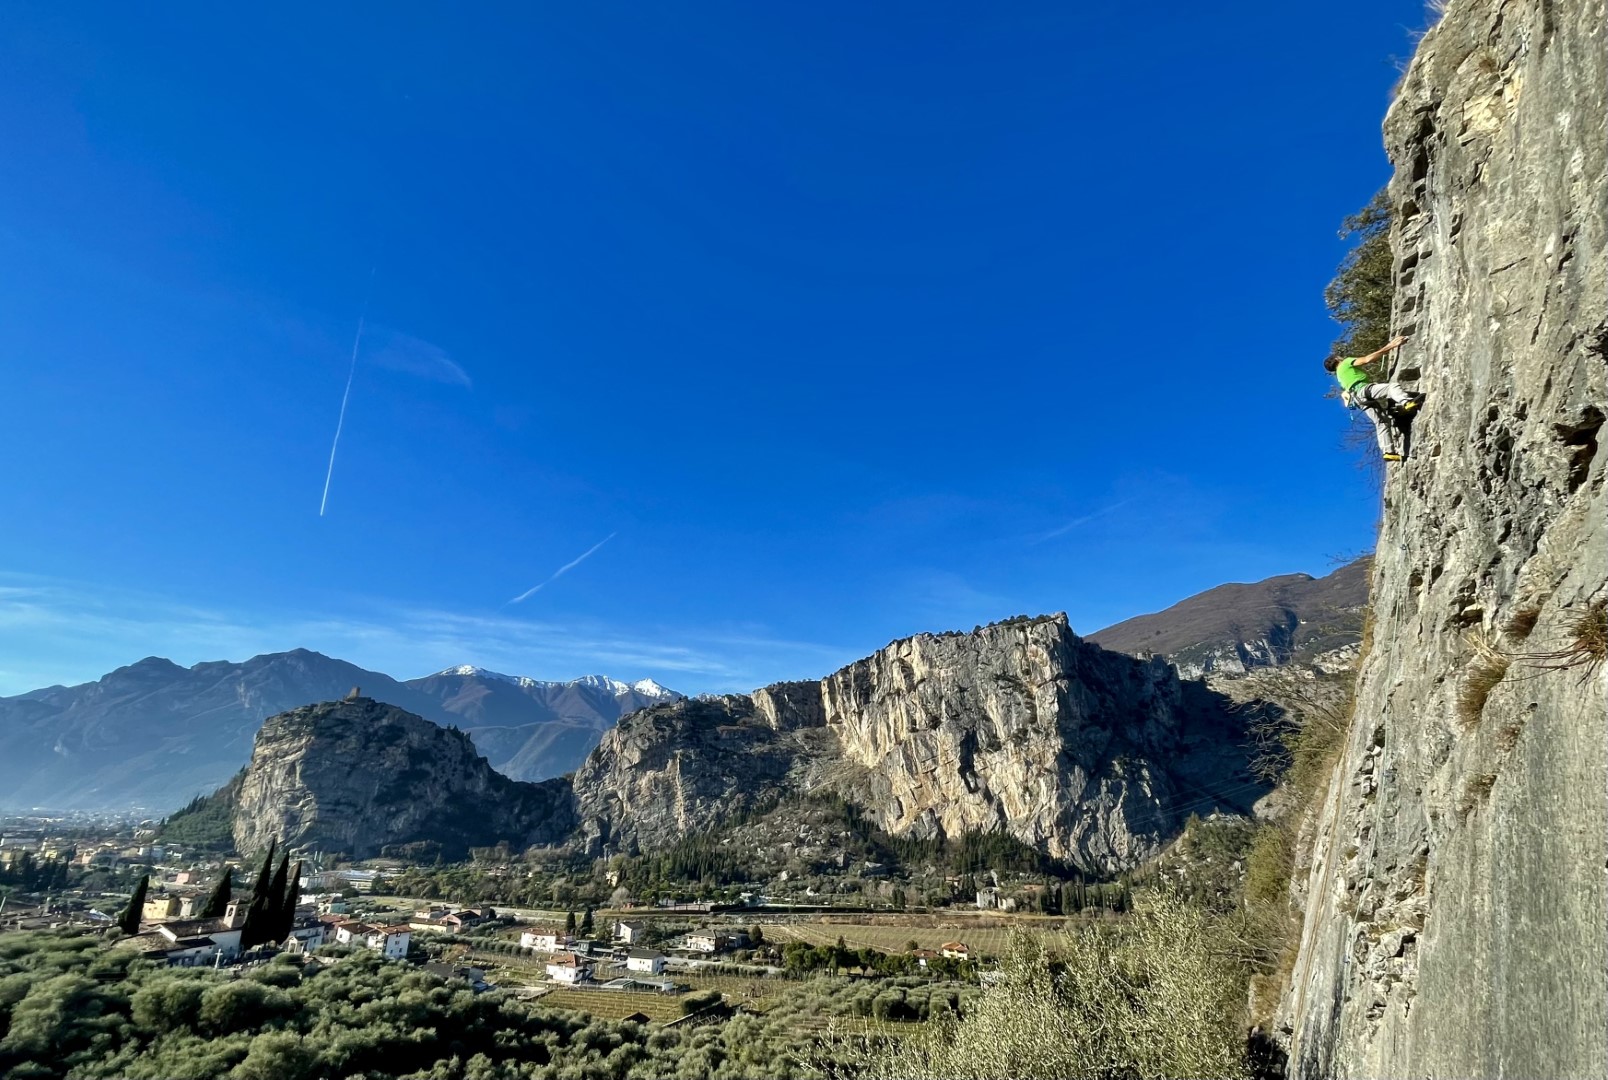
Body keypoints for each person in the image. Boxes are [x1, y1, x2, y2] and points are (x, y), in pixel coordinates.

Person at [1324, 335, 1422, 461]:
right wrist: (1391, 345)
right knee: (1392, 387)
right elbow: (1367, 359)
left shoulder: (1339, 376)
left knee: (1381, 422)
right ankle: (1406, 402)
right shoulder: (1345, 362)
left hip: (1358, 400)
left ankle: (1388, 451)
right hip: (1363, 390)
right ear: (1337, 359)